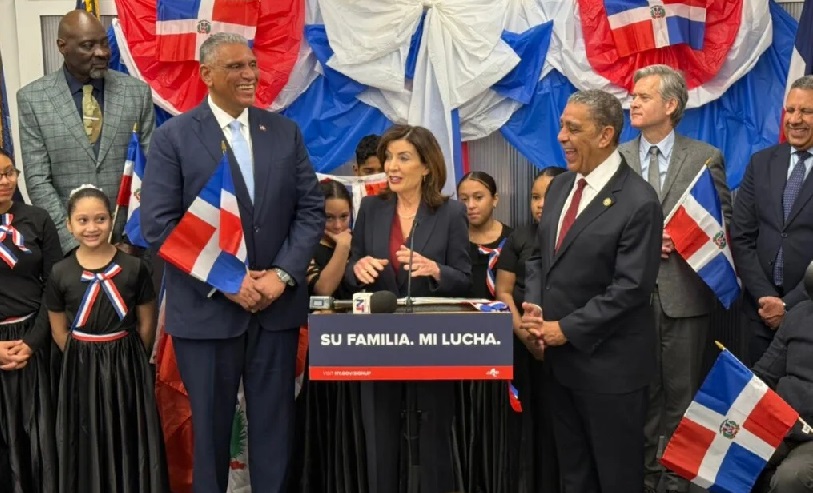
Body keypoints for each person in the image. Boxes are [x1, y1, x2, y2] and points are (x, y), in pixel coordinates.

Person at [140, 33, 324, 493]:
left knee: (274, 435)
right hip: (206, 313)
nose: (249, 75)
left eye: (252, 65)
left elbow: (310, 211)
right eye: (235, 67)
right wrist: (229, 281)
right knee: (210, 439)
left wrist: (281, 276)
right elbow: (160, 226)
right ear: (206, 74)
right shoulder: (172, 138)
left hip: (274, 310)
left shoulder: (284, 132)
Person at [521, 89, 663, 493]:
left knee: (615, 479)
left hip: (609, 372)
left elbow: (631, 289)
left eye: (573, 128)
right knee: (573, 476)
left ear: (605, 136)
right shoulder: (562, 187)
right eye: (562, 126)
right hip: (559, 367)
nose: (562, 136)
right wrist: (534, 309)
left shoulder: (639, 201)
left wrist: (564, 328)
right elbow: (538, 257)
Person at [618, 64, 732, 493]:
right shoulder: (618, 159)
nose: (633, 102)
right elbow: (600, 228)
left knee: (682, 400)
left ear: (670, 104)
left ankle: (678, 483)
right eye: (633, 95)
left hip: (685, 298)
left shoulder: (704, 157)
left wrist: (684, 239)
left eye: (643, 96)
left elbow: (724, 227)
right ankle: (644, 480)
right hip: (628, 300)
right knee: (638, 395)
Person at [346, 124, 471, 493]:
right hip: (378, 341)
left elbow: (464, 279)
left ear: (427, 166)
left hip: (432, 342)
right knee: (380, 438)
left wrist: (435, 270)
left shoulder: (450, 213)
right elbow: (354, 272)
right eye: (389, 158)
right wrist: (358, 270)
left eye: (403, 157)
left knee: (432, 437)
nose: (392, 166)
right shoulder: (370, 208)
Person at [44, 185, 167, 492]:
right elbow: (58, 328)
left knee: (127, 432)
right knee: (86, 434)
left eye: (100, 219)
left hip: (126, 364)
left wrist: (128, 356)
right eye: (83, 220)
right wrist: (82, 354)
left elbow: (146, 322)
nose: (91, 227)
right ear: (70, 224)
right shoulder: (60, 272)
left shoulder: (135, 268)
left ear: (111, 220)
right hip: (81, 366)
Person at [17, 9, 155, 254]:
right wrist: (73, 243)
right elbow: (38, 180)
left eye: (103, 43)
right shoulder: (33, 99)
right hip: (69, 252)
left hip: (130, 247)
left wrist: (133, 239)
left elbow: (152, 169)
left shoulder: (136, 93)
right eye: (88, 46)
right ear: (62, 46)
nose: (101, 52)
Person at [731, 74, 813, 365]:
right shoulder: (761, 162)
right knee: (754, 402)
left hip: (808, 313)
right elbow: (741, 236)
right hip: (758, 312)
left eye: (806, 111)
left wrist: (788, 304)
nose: (795, 119)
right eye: (790, 110)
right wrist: (766, 297)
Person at [292, 178, 365, 491]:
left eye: (343, 217)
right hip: (317, 356)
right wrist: (343, 247)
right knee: (322, 430)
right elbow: (322, 288)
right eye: (328, 217)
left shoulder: (362, 243)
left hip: (357, 351)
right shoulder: (305, 244)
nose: (337, 224)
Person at [494, 166, 564, 493]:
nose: (539, 204)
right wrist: (525, 333)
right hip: (522, 345)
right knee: (529, 420)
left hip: (564, 346)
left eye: (547, 196)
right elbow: (504, 292)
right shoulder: (520, 238)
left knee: (561, 421)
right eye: (535, 197)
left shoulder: (577, 237)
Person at [0, 148, 61, 493]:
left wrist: (33, 342)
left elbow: (55, 286)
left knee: (39, 439)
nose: (5, 181)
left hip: (34, 340)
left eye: (10, 172)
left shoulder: (37, 219)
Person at [456, 171, 515, 493]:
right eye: (463, 199)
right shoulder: (451, 241)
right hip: (458, 348)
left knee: (496, 427)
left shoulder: (514, 240)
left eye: (478, 197)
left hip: (500, 350)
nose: (470, 205)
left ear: (495, 199)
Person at [751, 262, 813, 493]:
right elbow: (764, 373)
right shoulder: (799, 314)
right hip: (782, 422)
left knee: (790, 478)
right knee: (723, 450)